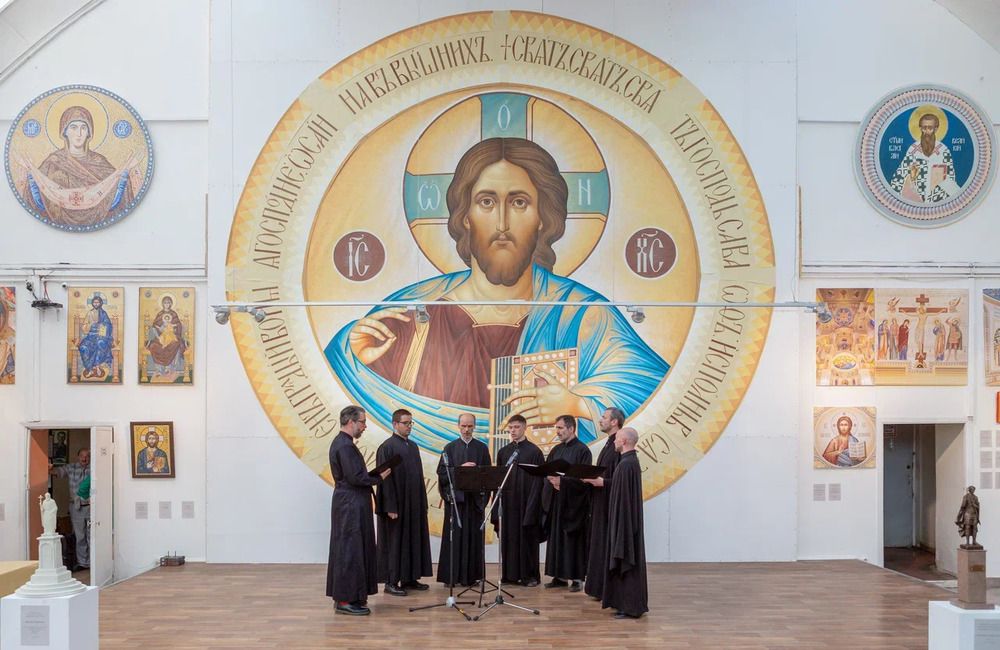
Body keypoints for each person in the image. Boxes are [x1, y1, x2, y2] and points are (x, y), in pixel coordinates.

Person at [326, 137, 669, 448]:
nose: (502, 223)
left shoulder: (580, 312)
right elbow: (352, 376)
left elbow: (644, 381)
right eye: (487, 202)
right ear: (465, 216)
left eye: (519, 202)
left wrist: (576, 405)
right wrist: (356, 356)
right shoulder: (414, 311)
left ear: (542, 217)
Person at [12, 105, 140, 228]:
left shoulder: (99, 162)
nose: (79, 133)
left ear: (89, 132)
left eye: (83, 128)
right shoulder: (53, 162)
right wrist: (30, 172)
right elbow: (40, 198)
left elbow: (114, 193)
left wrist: (126, 172)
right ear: (64, 131)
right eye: (73, 127)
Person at [326, 406, 391, 616]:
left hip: (351, 503)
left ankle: (352, 596)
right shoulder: (345, 446)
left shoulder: (344, 444)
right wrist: (379, 477)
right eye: (362, 422)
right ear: (350, 422)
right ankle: (345, 600)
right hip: (350, 505)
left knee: (354, 548)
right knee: (350, 550)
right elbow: (355, 478)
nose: (364, 426)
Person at [374, 409, 432, 596]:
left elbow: (418, 477)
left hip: (413, 504)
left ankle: (409, 578)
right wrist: (390, 506)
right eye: (405, 423)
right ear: (395, 424)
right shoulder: (387, 447)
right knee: (394, 542)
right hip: (397, 505)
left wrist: (422, 502)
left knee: (412, 539)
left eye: (410, 423)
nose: (409, 427)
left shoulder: (413, 446)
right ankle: (391, 581)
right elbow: (384, 480)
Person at [436, 413, 492, 587]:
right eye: (463, 426)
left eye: (470, 426)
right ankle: (451, 577)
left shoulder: (482, 448)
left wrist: (482, 501)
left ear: (474, 426)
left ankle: (471, 577)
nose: (466, 430)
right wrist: (460, 470)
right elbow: (442, 474)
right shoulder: (449, 448)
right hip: (456, 503)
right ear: (458, 426)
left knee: (474, 539)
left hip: (474, 503)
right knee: (454, 539)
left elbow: (489, 475)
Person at [492, 414, 544, 586]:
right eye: (511, 427)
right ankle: (510, 575)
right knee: (509, 539)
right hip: (508, 505)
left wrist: (533, 506)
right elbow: (498, 480)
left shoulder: (534, 452)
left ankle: (529, 576)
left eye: (516, 427)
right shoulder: (503, 452)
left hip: (526, 503)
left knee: (527, 540)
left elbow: (539, 481)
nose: (513, 430)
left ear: (524, 427)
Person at [542, 414, 592, 592]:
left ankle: (577, 578)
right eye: (556, 428)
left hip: (573, 505)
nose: (557, 431)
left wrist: (562, 482)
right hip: (557, 502)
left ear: (571, 428)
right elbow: (547, 470)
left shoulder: (583, 450)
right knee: (557, 539)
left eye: (560, 428)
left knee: (573, 541)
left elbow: (584, 478)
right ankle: (559, 577)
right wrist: (550, 479)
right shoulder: (556, 450)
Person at [602, 427, 648, 619]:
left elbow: (623, 500)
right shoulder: (629, 462)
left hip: (624, 523)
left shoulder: (626, 465)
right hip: (625, 521)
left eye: (617, 439)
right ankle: (625, 604)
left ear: (624, 441)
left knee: (626, 559)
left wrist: (619, 527)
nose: (614, 441)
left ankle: (629, 606)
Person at [583, 407, 624, 600]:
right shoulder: (609, 443)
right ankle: (599, 588)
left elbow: (621, 477)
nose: (600, 420)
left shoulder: (619, 445)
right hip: (601, 502)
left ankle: (607, 588)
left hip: (610, 505)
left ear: (615, 422)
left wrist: (603, 482)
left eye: (604, 417)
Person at [889, 112, 959, 203]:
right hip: (916, 197)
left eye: (930, 128)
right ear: (920, 128)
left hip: (939, 197)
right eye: (924, 128)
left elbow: (951, 176)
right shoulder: (913, 149)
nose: (926, 131)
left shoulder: (943, 150)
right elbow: (900, 175)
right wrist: (911, 176)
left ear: (936, 129)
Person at [49, 448, 90, 571]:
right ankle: (83, 563)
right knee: (80, 536)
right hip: (75, 506)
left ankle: (94, 562)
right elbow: (56, 472)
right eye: (82, 456)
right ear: (78, 457)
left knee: (92, 536)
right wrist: (48, 468)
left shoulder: (95, 468)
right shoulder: (71, 467)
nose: (84, 458)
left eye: (87, 456)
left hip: (91, 506)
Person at [145, 295, 187, 375]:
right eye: (165, 303)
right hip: (161, 337)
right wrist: (159, 331)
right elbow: (154, 326)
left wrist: (173, 328)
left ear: (171, 304)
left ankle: (169, 368)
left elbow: (178, 325)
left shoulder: (173, 314)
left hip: (172, 336)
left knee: (174, 344)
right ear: (162, 304)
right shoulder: (160, 314)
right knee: (154, 346)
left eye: (168, 303)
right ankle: (159, 369)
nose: (167, 304)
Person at [77, 294, 114, 379]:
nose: (96, 304)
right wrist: (90, 325)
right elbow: (84, 326)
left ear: (100, 303)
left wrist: (102, 326)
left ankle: (97, 366)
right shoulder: (89, 313)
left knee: (100, 343)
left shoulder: (103, 313)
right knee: (83, 347)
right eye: (94, 302)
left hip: (102, 336)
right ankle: (89, 369)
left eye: (97, 302)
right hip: (90, 336)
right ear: (92, 303)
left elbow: (108, 325)